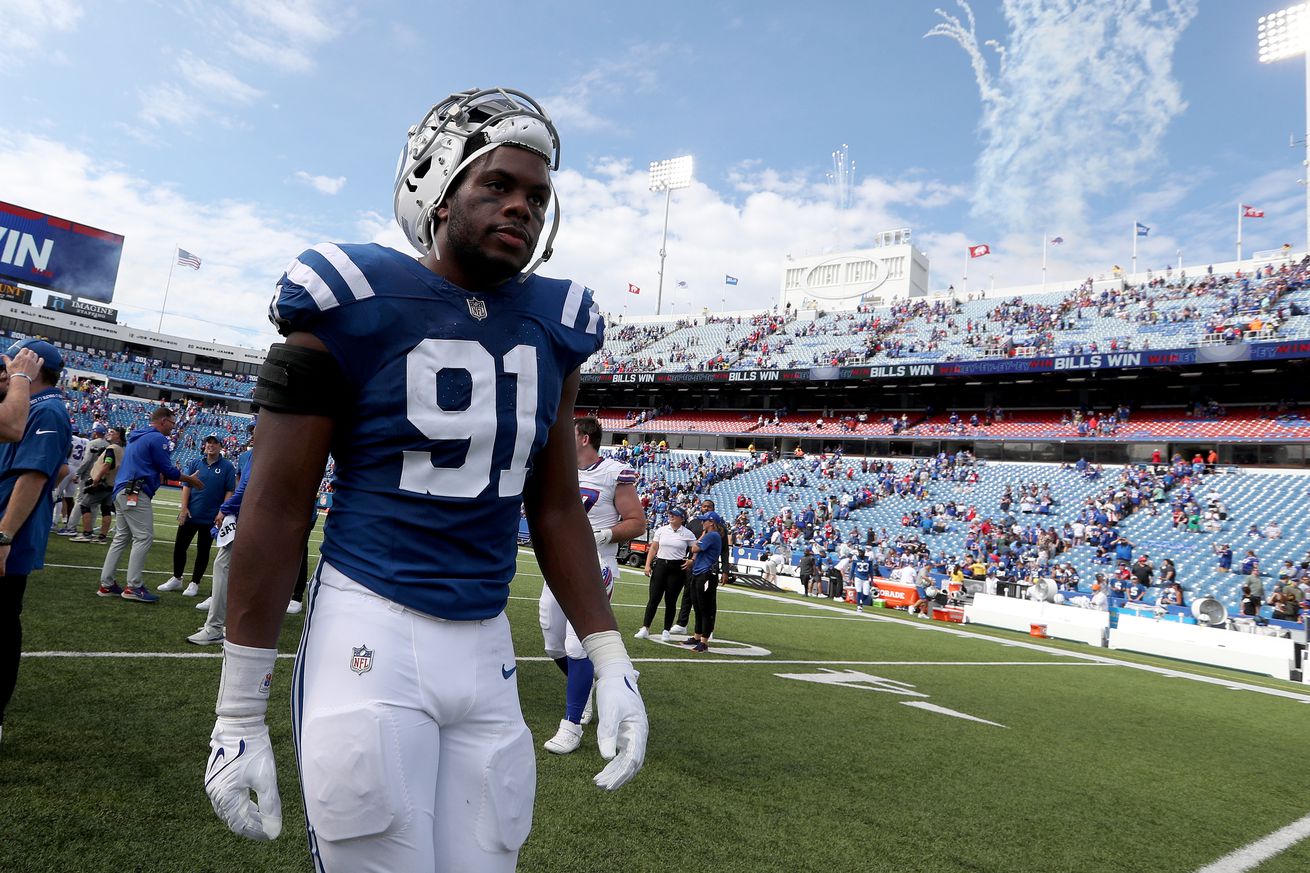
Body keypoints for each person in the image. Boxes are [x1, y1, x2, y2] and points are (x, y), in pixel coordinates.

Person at [202, 87, 647, 871]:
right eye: (498, 185)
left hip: (485, 647)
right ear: (438, 189)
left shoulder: (555, 322)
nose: (522, 207)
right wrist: (238, 708)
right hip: (369, 622)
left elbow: (552, 505)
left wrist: (610, 656)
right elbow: (275, 505)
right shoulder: (354, 295)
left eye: (538, 196)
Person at [539, 416, 644, 755]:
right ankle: (587, 687)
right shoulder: (561, 468)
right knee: (553, 642)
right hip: (560, 562)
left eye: (569, 433)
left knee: (576, 644)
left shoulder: (614, 472)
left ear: (584, 438)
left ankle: (571, 724)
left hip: (596, 563)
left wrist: (605, 534)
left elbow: (637, 523)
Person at [0, 341, 70, 746]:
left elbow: (35, 475)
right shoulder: (29, 404)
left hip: (9, 536)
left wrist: (5, 533)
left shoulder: (47, 409)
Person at [96, 406, 206, 602]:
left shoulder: (138, 437)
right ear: (163, 421)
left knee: (121, 538)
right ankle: (134, 586)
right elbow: (169, 470)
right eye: (172, 423)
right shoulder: (157, 439)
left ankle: (107, 584)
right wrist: (190, 480)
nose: (174, 427)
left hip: (123, 490)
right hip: (136, 491)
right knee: (144, 537)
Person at [159, 435, 236, 597]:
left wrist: (222, 511)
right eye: (209, 442)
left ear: (221, 446)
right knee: (180, 546)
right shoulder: (195, 462)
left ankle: (195, 582)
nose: (211, 445)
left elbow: (229, 490)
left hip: (211, 516)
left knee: (203, 550)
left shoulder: (228, 466)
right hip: (191, 513)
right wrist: (184, 508)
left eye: (215, 443)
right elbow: (186, 485)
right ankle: (177, 577)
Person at [638, 506, 697, 641]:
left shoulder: (687, 533)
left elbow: (695, 549)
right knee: (654, 598)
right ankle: (645, 627)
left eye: (675, 515)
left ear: (682, 518)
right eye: (670, 514)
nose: (671, 516)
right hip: (661, 565)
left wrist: (692, 560)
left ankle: (666, 630)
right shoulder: (662, 530)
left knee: (671, 600)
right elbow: (654, 547)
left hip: (677, 568)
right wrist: (647, 564)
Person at [70, 426, 124, 543]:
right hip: (112, 483)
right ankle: (102, 537)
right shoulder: (122, 449)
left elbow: (107, 463)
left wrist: (97, 478)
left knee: (85, 505)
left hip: (103, 482)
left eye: (112, 432)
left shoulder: (112, 448)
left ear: (118, 435)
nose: (109, 433)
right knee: (106, 509)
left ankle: (87, 533)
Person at [682, 513, 724, 652]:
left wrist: (703, 535)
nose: (702, 524)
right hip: (699, 572)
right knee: (698, 607)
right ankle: (697, 636)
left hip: (705, 574)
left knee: (704, 608)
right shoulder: (711, 535)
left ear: (711, 522)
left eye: (704, 521)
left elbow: (694, 548)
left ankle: (704, 641)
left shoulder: (712, 536)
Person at [52, 427, 88, 535]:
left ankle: (53, 522)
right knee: (69, 497)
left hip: (68, 466)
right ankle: (68, 523)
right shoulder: (86, 441)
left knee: (56, 495)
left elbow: (67, 450)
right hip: (78, 469)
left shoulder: (71, 439)